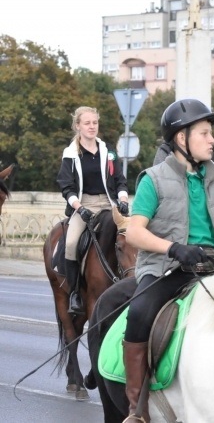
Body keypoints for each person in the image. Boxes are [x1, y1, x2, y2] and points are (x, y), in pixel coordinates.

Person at [121, 98, 214, 422]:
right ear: (181, 138)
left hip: (212, 269)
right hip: (166, 269)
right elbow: (134, 233)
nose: (212, 139)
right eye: (204, 133)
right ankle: (136, 407)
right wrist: (174, 248)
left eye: (211, 133)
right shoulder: (153, 179)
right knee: (140, 312)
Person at [57, 106, 129, 315]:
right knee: (70, 244)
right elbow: (66, 186)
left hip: (109, 203)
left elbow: (120, 181)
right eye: (87, 123)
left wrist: (123, 199)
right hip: (84, 204)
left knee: (131, 236)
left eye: (94, 123)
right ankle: (74, 294)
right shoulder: (70, 154)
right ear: (78, 126)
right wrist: (79, 209)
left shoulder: (109, 152)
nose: (91, 127)